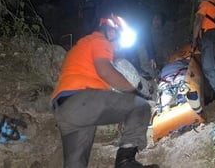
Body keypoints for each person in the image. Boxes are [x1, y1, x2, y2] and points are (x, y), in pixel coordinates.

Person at [51, 14, 155, 168]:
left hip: (65, 109)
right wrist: (134, 93)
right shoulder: (100, 41)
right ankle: (125, 161)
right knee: (140, 106)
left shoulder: (82, 46)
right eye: (119, 42)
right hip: (83, 98)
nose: (119, 47)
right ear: (112, 33)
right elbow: (105, 72)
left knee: (76, 163)